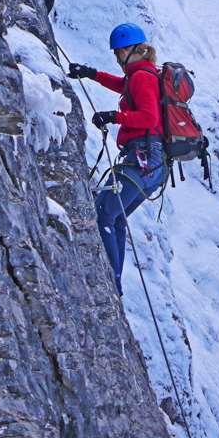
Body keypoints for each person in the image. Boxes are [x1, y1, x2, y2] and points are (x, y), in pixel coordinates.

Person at [68, 23, 165, 296]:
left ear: (127, 50)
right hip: (152, 166)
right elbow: (121, 85)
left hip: (142, 158)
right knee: (116, 218)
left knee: (103, 214)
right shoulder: (141, 74)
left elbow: (149, 118)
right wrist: (90, 74)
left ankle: (110, 283)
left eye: (116, 53)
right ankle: (115, 281)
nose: (116, 58)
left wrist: (113, 116)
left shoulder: (143, 77)